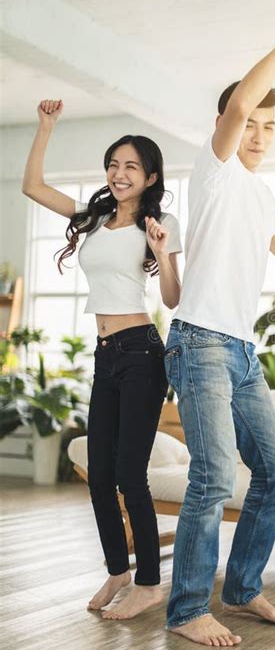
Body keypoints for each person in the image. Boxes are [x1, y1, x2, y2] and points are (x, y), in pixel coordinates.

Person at [164, 8, 275, 646]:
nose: (260, 135)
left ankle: (241, 586)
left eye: (272, 127)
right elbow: (238, 103)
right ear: (228, 126)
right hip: (199, 341)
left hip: (241, 351)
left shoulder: (263, 196)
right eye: (252, 123)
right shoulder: (214, 171)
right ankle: (188, 608)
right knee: (214, 475)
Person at [22, 99, 182, 619]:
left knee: (129, 475)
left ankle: (150, 583)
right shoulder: (93, 218)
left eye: (130, 166)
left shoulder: (161, 222)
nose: (118, 173)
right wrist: (46, 128)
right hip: (106, 354)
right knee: (98, 468)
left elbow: (174, 297)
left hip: (141, 354)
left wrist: (160, 253)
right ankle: (119, 569)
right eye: (113, 165)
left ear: (150, 175)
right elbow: (33, 187)